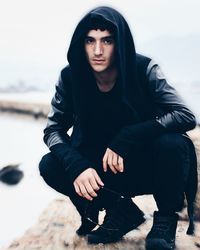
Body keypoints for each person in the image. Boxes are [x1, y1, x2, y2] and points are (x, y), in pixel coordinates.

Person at [39, 6, 198, 250]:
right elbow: (53, 129)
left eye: (107, 41)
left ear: (120, 43)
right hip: (102, 171)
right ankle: (119, 211)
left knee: (174, 143)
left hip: (147, 166)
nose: (98, 50)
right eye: (90, 41)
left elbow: (185, 115)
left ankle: (165, 221)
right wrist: (76, 164)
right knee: (50, 164)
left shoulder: (144, 70)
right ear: (81, 44)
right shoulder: (71, 77)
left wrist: (127, 136)